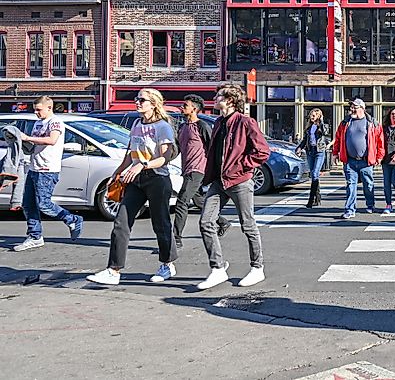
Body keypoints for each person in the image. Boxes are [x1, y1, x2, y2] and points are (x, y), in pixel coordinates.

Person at [87, 89, 176, 284]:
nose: (137, 102)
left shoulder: (163, 127)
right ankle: (114, 270)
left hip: (156, 178)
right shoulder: (136, 124)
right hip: (135, 179)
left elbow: (164, 158)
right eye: (137, 99)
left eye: (142, 100)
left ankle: (167, 264)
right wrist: (117, 172)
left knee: (160, 223)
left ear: (153, 104)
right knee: (121, 222)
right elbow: (130, 153)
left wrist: (143, 166)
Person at [197, 83, 270, 290]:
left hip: (239, 181)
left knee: (248, 225)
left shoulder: (246, 122)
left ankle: (257, 267)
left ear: (229, 100)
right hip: (219, 181)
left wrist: (242, 166)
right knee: (206, 222)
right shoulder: (219, 122)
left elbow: (262, 151)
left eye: (219, 95)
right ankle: (218, 268)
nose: (215, 97)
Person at [13, 96, 84, 252]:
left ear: (49, 108)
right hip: (34, 167)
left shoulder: (55, 122)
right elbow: (35, 143)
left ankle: (72, 219)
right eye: (35, 109)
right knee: (28, 204)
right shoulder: (38, 122)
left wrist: (27, 137)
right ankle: (35, 236)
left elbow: (52, 140)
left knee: (44, 204)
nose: (36, 112)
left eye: (39, 109)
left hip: (47, 169)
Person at [173, 94, 230, 249]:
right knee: (199, 200)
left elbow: (213, 147)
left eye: (186, 105)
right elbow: (178, 149)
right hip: (186, 169)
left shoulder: (202, 126)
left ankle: (175, 239)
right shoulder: (182, 127)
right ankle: (222, 222)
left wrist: (216, 169)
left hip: (198, 169)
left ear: (195, 109)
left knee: (182, 201)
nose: (182, 107)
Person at [332, 98, 385, 219]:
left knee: (368, 184)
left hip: (366, 160)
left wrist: (379, 156)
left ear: (362, 108)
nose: (352, 109)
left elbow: (380, 141)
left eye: (354, 107)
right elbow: (338, 138)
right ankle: (350, 209)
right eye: (351, 107)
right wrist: (335, 153)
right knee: (351, 185)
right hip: (350, 160)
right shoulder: (345, 122)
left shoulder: (372, 123)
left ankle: (370, 204)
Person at [296, 108, 332, 208]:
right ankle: (318, 198)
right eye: (311, 115)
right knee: (313, 175)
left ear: (319, 116)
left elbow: (325, 132)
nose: (311, 117)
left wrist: (321, 122)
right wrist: (299, 148)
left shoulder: (322, 126)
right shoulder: (309, 127)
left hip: (319, 151)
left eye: (314, 115)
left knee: (316, 173)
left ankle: (311, 199)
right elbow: (305, 140)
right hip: (310, 151)